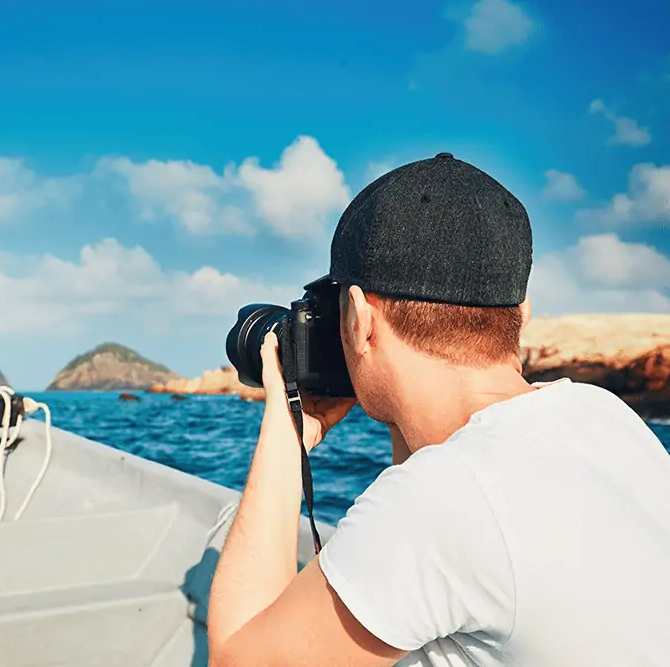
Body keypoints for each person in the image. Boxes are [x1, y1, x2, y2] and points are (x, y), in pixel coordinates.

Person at [206, 153, 670, 666]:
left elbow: (236, 660)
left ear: (359, 320)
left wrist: (286, 429)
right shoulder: (604, 416)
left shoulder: (443, 500)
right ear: (523, 314)